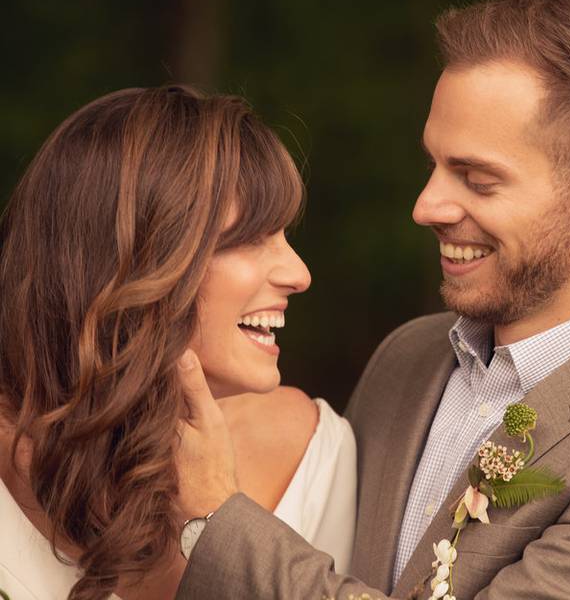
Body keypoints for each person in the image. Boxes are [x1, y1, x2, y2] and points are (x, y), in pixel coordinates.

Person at [174, 0, 570, 599]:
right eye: (432, 164)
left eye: (478, 179)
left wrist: (218, 519)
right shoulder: (407, 359)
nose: (426, 205)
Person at [0, 86, 356, 600]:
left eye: (284, 235)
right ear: (138, 258)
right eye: (252, 237)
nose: (300, 273)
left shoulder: (315, 451)